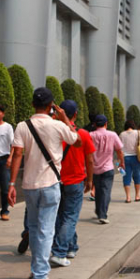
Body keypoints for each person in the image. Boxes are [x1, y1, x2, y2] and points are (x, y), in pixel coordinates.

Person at [8, 87, 79, 279]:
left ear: (32, 104)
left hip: (29, 186)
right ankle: (40, 276)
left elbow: (17, 154)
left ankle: (36, 269)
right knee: (46, 231)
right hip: (50, 184)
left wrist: (11, 184)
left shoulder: (22, 126)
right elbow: (77, 141)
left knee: (34, 228)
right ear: (51, 107)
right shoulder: (57, 125)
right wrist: (65, 119)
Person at [51, 100, 94, 266]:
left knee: (63, 216)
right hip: (75, 181)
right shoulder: (82, 134)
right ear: (75, 114)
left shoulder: (54, 132)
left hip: (57, 180)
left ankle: (71, 247)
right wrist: (90, 180)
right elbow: (90, 160)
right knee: (70, 217)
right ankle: (60, 251)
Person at [90, 115, 124, 224]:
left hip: (94, 168)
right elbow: (119, 150)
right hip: (108, 167)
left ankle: (99, 210)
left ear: (94, 124)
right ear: (106, 124)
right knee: (106, 191)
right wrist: (121, 163)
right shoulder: (112, 134)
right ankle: (103, 214)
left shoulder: (91, 135)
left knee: (98, 191)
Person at [119, 121, 140, 202]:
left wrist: (119, 160)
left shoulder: (122, 134)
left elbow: (119, 147)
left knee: (125, 177)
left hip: (125, 158)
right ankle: (137, 195)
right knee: (137, 176)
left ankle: (128, 197)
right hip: (136, 158)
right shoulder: (138, 132)